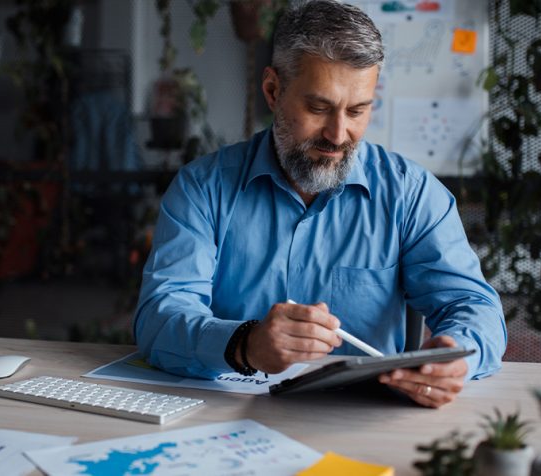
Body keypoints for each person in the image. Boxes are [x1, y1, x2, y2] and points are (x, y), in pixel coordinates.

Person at [133, 0, 506, 408]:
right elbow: (160, 317)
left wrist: (457, 357)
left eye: (357, 111)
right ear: (273, 91)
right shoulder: (203, 189)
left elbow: (473, 305)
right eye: (319, 108)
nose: (338, 134)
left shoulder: (411, 194)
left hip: (362, 416)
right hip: (225, 416)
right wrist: (245, 344)